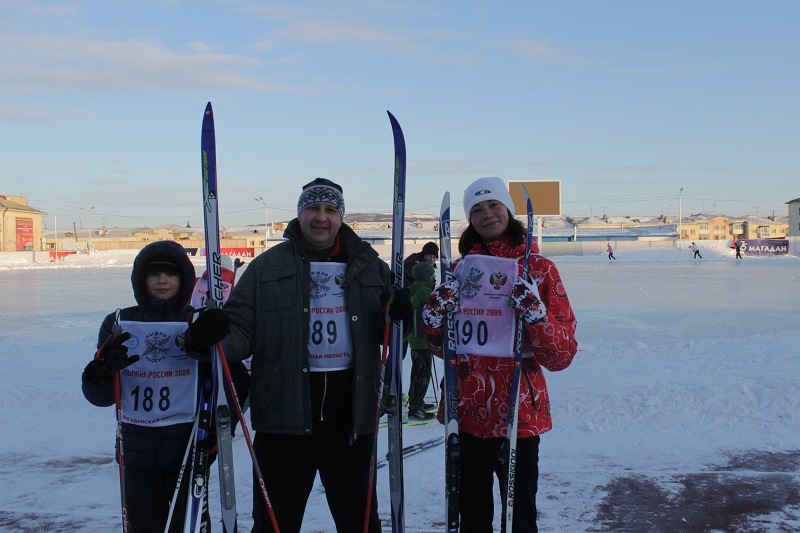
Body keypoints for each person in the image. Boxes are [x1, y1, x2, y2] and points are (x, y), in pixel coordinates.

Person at [217, 178, 411, 533]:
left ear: (341, 217)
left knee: (359, 521)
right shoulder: (265, 268)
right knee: (275, 523)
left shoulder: (369, 265)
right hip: (283, 416)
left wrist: (399, 317)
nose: (321, 217)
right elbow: (240, 331)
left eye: (330, 210)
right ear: (299, 214)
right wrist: (213, 337)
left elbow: (390, 334)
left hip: (351, 417)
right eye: (313, 208)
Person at [422, 177, 578, 533]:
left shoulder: (540, 270)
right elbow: (445, 348)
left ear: (508, 209)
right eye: (477, 209)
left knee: (519, 516)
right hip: (465, 414)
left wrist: (537, 316)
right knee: (472, 516)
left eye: (493, 205)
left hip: (518, 415)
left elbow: (562, 355)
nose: (487, 214)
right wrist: (431, 320)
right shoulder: (459, 270)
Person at [80, 239, 227, 532]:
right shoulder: (120, 321)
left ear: (183, 279)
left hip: (188, 450)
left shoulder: (197, 321)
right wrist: (102, 369)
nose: (162, 280)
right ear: (140, 279)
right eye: (154, 274)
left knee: (189, 525)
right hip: (137, 452)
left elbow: (223, 382)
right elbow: (100, 396)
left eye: (170, 273)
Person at [407, 260, 438, 420]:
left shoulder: (416, 287)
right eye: (432, 274)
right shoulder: (425, 291)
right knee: (422, 374)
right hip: (422, 339)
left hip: (416, 337)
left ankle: (416, 401)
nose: (434, 276)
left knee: (417, 371)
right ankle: (415, 408)